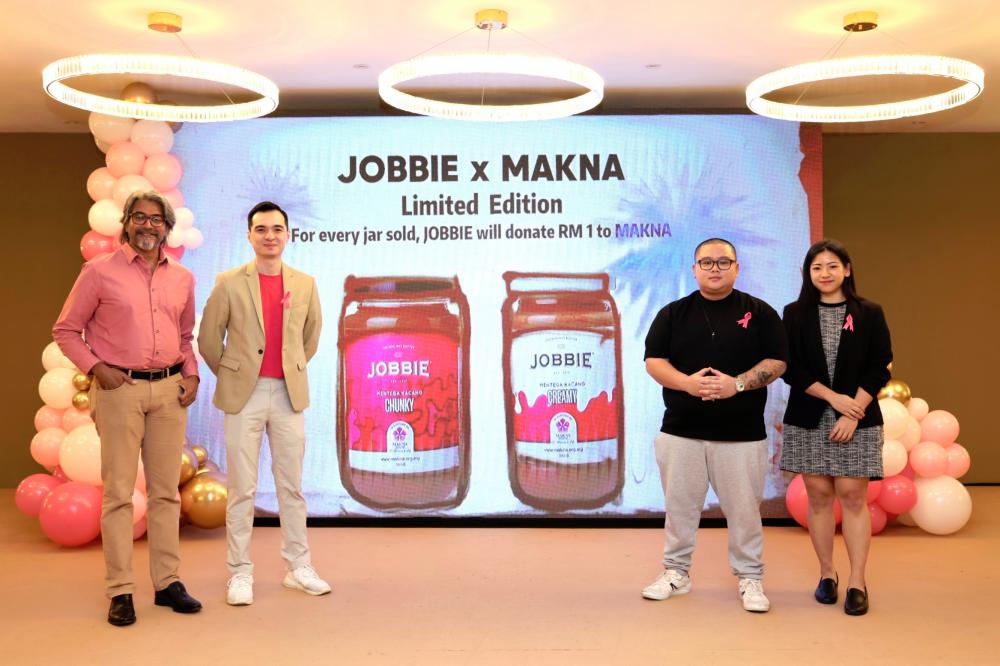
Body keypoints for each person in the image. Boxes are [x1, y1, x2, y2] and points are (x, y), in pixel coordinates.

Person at [53, 191, 202, 626]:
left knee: (165, 494)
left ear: (167, 228)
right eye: (140, 217)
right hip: (120, 391)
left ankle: (167, 582)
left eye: (157, 220)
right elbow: (65, 330)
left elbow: (185, 335)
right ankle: (120, 591)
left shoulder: (183, 278)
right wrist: (98, 368)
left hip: (170, 393)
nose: (148, 226)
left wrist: (190, 373)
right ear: (127, 222)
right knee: (119, 495)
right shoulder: (98, 272)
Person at [641, 238, 787, 612]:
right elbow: (654, 361)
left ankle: (750, 577)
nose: (715, 268)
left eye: (724, 262)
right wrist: (688, 383)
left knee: (744, 511)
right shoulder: (673, 313)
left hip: (741, 435)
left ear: (737, 268)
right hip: (680, 431)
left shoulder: (761, 313)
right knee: (680, 508)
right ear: (694, 269)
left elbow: (778, 361)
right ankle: (676, 572)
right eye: (707, 262)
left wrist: (735, 385)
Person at [198, 201, 328, 606]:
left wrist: (289, 369)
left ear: (288, 234)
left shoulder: (305, 283)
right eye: (261, 229)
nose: (269, 235)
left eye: (277, 228)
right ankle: (239, 573)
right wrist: (235, 375)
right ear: (250, 235)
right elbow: (207, 339)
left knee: (292, 487)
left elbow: (311, 337)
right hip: (244, 396)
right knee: (242, 488)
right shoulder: (229, 281)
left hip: (288, 395)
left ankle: (298, 566)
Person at [780, 239, 892, 616]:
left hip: (857, 416)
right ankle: (827, 574)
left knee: (853, 496)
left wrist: (852, 410)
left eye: (831, 266)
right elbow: (790, 369)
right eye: (816, 268)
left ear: (847, 269)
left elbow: (881, 364)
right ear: (808, 274)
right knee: (818, 495)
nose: (824, 274)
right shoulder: (794, 313)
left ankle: (858, 581)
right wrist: (833, 399)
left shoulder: (869, 312)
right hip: (811, 413)